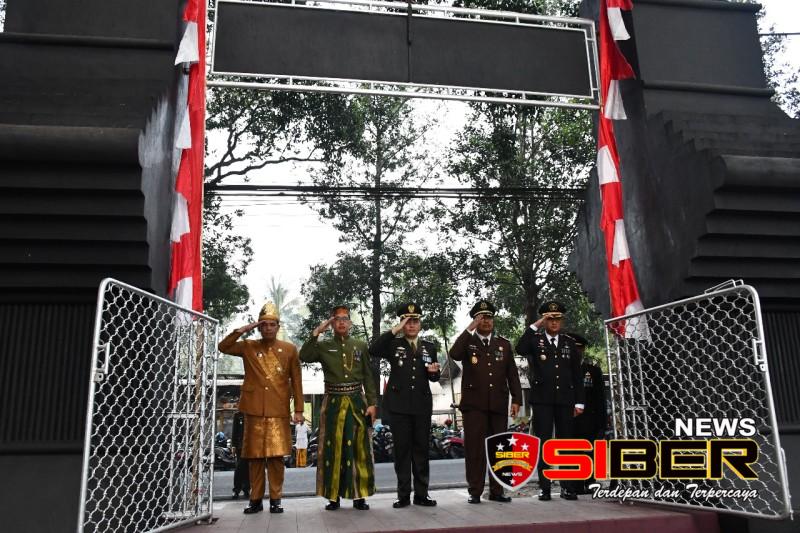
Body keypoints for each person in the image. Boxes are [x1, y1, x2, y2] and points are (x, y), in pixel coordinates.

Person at [217, 302, 305, 514]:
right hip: (254, 410)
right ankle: (255, 499)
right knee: (254, 457)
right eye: (263, 324)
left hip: (278, 409)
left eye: (272, 324)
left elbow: (296, 380)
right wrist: (243, 329)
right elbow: (223, 347)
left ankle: (276, 499)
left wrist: (299, 409)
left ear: (278, 326)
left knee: (276, 458)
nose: (268, 328)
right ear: (258, 327)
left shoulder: (289, 350)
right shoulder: (249, 346)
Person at [299, 304, 377, 511]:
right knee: (333, 449)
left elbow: (368, 376)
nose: (341, 322)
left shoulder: (360, 345)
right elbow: (304, 355)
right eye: (337, 319)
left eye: (345, 318)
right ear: (332, 323)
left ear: (350, 323)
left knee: (359, 448)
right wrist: (317, 332)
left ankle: (359, 495)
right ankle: (333, 497)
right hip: (333, 403)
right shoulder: (324, 346)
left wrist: (372, 403)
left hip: (356, 402)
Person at [449, 299, 522, 504]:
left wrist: (517, 399)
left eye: (489, 317)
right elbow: (454, 354)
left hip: (498, 404)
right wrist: (469, 329)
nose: (486, 321)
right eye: (481, 318)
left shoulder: (503, 344)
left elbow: (512, 374)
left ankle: (497, 491)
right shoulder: (468, 342)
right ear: (475, 320)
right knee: (475, 450)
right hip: (474, 406)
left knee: (500, 449)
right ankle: (475, 491)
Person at [369, 302, 441, 508]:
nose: (411, 325)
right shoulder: (393, 344)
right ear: (402, 324)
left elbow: (433, 376)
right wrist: (395, 330)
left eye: (415, 321)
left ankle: (422, 494)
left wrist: (434, 373)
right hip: (399, 407)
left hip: (421, 406)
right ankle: (403, 495)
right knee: (402, 452)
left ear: (420, 324)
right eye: (407, 322)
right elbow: (373, 349)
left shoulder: (429, 347)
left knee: (421, 451)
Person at [515, 301, 584, 501]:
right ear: (545, 321)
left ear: (562, 321)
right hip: (542, 400)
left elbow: (576, 374)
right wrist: (536, 324)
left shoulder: (569, 343)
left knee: (566, 443)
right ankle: (545, 487)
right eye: (550, 319)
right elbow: (520, 348)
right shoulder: (535, 340)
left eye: (557, 319)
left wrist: (579, 402)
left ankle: (567, 487)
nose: (554, 322)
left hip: (565, 400)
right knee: (544, 442)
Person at [568, 333, 607, 494]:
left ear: (583, 350)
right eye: (572, 349)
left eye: (578, 349)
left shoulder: (593, 371)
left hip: (589, 421)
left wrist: (602, 424)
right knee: (571, 453)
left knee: (590, 452)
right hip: (569, 421)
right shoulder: (561, 371)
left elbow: (600, 399)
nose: (576, 352)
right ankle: (574, 485)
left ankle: (590, 482)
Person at [231, 411, 250, 499]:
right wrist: (233, 445)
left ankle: (246, 489)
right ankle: (236, 490)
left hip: (250, 445)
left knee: (248, 468)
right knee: (239, 467)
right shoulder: (238, 415)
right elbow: (234, 431)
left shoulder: (251, 413)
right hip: (240, 445)